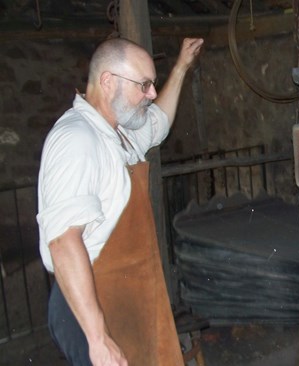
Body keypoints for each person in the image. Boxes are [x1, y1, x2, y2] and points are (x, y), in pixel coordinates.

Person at [36, 36, 204, 366]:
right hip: (88, 304)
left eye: (152, 85)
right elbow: (62, 241)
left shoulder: (117, 133)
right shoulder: (77, 139)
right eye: (144, 85)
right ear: (108, 81)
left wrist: (182, 66)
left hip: (123, 294)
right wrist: (97, 339)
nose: (151, 94)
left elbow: (158, 124)